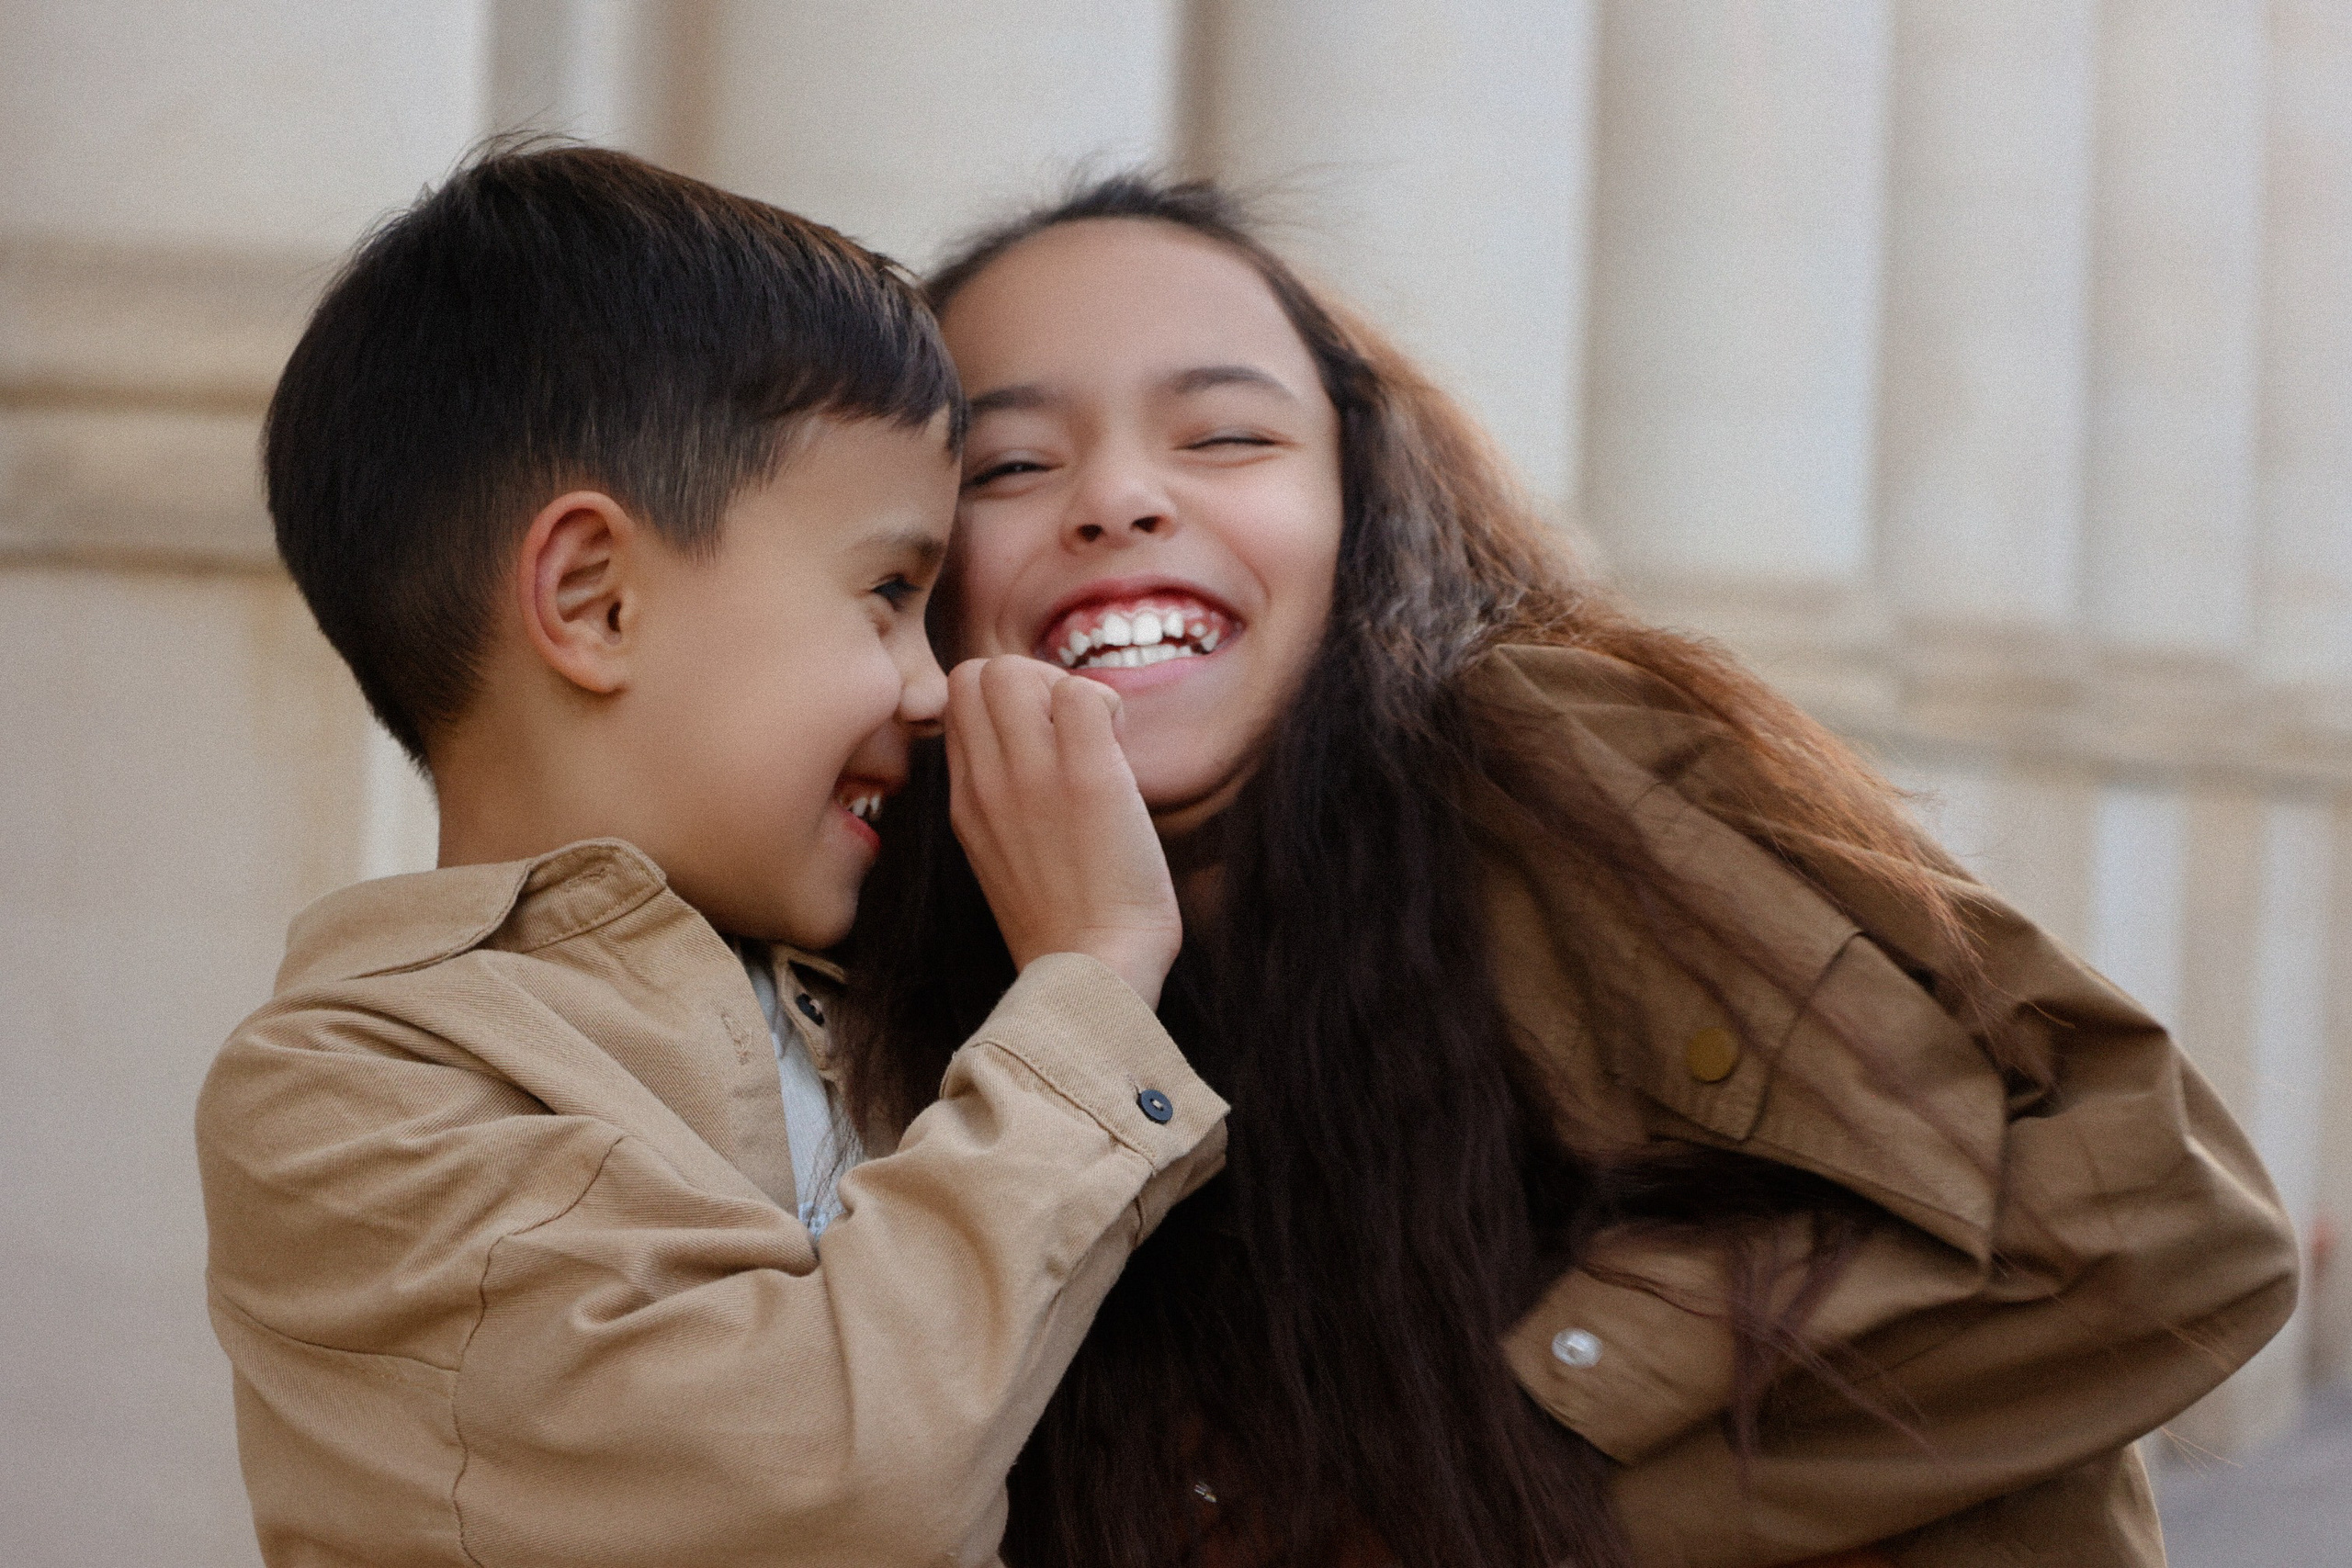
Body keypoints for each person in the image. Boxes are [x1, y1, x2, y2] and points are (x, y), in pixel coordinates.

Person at [840, 175, 2301, 1568]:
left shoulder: (1546, 765)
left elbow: (2168, 1221)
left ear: (1361, 511)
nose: (1118, 497)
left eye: (1225, 436)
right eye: (1014, 464)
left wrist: (1507, 1472)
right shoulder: (886, 951)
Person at [195, 145, 1227, 1567]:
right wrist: (1095, 979)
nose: (931, 690)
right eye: (887, 594)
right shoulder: (355, 1096)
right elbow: (822, 1480)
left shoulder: (868, 1009)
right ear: (593, 598)